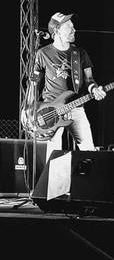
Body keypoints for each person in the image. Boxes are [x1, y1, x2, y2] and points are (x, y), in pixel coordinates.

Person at [30, 12, 106, 158]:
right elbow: (34, 81)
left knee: (89, 152)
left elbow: (89, 80)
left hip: (76, 107)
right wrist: (32, 107)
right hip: (50, 110)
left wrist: (94, 89)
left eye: (73, 26)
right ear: (57, 31)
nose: (74, 30)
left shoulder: (80, 53)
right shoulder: (42, 53)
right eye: (69, 27)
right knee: (51, 155)